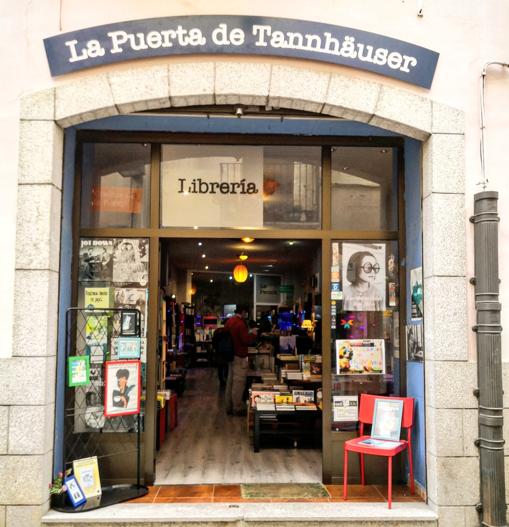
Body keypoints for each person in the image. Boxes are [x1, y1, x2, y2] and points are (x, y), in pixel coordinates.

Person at [224, 305, 257, 416]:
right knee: (239, 383)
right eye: (246, 313)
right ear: (243, 312)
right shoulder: (240, 323)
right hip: (240, 356)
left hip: (230, 355)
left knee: (230, 382)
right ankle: (237, 407)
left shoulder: (230, 321)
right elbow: (245, 339)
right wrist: (253, 334)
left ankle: (229, 406)